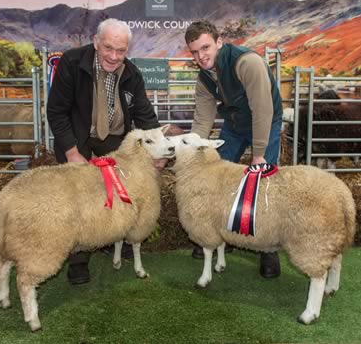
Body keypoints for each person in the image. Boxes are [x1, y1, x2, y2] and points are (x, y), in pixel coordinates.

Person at [47, 18, 162, 285]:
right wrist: (72, 152)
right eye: (108, 48)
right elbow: (56, 111)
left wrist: (160, 148)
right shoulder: (73, 63)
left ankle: (108, 238)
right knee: (79, 199)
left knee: (115, 195)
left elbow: (145, 114)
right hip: (78, 138)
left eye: (120, 51)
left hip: (113, 141)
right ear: (96, 42)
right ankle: (78, 261)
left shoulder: (131, 74)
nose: (113, 56)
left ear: (127, 50)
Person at [184, 20, 284, 279]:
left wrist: (259, 154)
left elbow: (262, 109)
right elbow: (202, 120)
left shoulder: (246, 63)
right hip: (235, 124)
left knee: (264, 183)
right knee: (216, 173)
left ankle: (268, 250)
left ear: (219, 42)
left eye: (205, 47)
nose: (200, 56)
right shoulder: (204, 78)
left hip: (266, 122)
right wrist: (193, 152)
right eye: (194, 52)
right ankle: (218, 237)